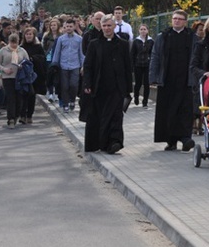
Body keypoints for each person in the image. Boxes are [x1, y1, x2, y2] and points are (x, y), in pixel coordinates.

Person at [83, 14, 133, 153]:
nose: (106, 28)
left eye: (109, 25)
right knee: (100, 116)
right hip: (99, 87)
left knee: (116, 115)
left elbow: (127, 67)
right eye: (104, 26)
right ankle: (99, 143)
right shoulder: (94, 44)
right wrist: (87, 84)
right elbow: (88, 66)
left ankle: (114, 142)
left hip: (117, 87)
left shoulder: (123, 44)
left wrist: (129, 88)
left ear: (114, 26)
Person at [149, 10, 196, 152]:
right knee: (168, 111)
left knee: (185, 111)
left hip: (185, 81)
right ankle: (171, 141)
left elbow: (197, 57)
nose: (176, 21)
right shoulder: (163, 36)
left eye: (180, 19)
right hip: (167, 80)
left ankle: (185, 139)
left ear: (185, 21)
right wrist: (153, 77)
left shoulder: (192, 37)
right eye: (174, 18)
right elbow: (155, 57)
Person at [50, 19, 84, 112]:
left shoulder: (79, 39)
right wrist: (54, 65)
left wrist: (83, 66)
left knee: (74, 85)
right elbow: (57, 53)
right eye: (67, 26)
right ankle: (65, 104)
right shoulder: (61, 39)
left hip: (75, 65)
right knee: (64, 86)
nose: (69, 28)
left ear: (74, 27)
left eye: (70, 26)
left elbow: (81, 53)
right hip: (63, 65)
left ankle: (72, 100)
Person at [0, 33, 29, 126]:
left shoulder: (22, 50)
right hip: (7, 77)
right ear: (8, 42)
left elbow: (27, 62)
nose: (14, 45)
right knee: (11, 98)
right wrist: (4, 69)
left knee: (19, 98)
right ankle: (10, 118)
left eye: (16, 42)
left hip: (19, 77)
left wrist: (22, 66)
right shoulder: (3, 50)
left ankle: (16, 116)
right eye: (12, 42)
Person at [20, 27, 47, 123]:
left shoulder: (38, 47)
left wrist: (33, 59)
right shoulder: (21, 47)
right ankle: (22, 115)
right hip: (23, 75)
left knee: (32, 95)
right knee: (23, 95)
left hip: (34, 74)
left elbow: (42, 58)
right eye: (27, 34)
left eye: (30, 34)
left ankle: (29, 115)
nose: (28, 36)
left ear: (33, 36)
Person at [130, 24, 154, 107]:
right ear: (139, 31)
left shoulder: (151, 41)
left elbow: (153, 53)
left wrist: (150, 61)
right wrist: (132, 66)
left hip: (147, 65)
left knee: (147, 84)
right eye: (141, 29)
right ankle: (136, 97)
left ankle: (145, 101)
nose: (143, 31)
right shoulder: (136, 41)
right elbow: (132, 54)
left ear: (147, 30)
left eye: (144, 29)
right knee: (138, 83)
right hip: (138, 65)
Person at [41, 19, 61, 102]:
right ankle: (50, 93)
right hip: (48, 58)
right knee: (49, 75)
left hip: (57, 58)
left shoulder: (61, 36)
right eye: (51, 25)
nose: (53, 27)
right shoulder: (47, 36)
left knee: (57, 76)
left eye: (54, 25)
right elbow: (44, 47)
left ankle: (56, 93)